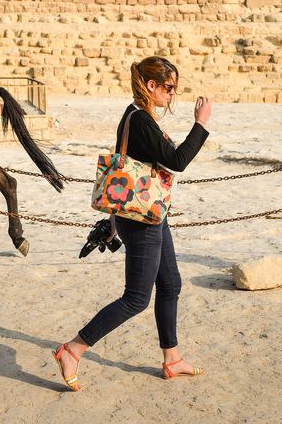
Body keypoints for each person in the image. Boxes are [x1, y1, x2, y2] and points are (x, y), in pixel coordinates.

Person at [53, 56, 212, 391]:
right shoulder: (139, 119)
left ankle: (172, 359)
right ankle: (73, 349)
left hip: (150, 213)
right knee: (136, 298)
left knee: (171, 285)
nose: (172, 94)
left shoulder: (136, 115)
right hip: (142, 221)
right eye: (169, 88)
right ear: (151, 86)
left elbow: (129, 167)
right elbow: (178, 162)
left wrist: (112, 219)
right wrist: (201, 124)